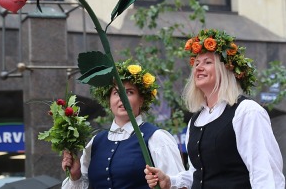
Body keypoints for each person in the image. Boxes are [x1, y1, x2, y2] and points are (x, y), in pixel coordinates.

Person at [145, 28, 285, 189]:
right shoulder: (196, 120)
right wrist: (170, 181)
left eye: (208, 62)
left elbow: (265, 175)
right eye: (196, 63)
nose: (198, 67)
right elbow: (198, 173)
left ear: (225, 69)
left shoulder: (246, 112)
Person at [61, 59, 186, 188]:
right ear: (109, 100)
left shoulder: (157, 138)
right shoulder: (95, 143)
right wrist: (76, 177)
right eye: (116, 93)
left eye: (130, 92)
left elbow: (179, 184)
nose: (122, 98)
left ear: (141, 100)